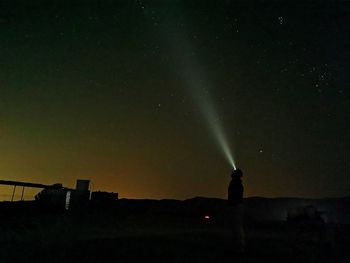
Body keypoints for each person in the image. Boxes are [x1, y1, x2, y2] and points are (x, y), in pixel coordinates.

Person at [228, 168, 245, 252]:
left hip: (236, 206)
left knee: (236, 226)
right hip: (236, 206)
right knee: (235, 226)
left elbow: (234, 196)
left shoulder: (236, 184)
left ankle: (239, 246)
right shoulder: (237, 183)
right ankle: (237, 245)